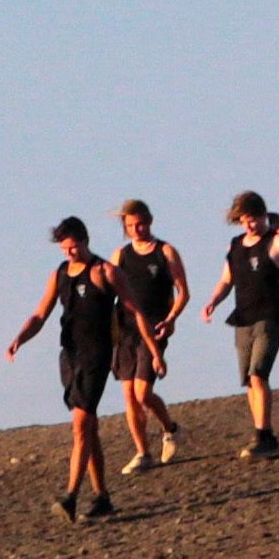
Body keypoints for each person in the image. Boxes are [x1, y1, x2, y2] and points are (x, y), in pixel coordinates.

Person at [7, 217, 126, 521]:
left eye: (74, 247)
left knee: (80, 427)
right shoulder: (59, 274)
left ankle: (70, 497)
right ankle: (102, 498)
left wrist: (154, 352)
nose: (70, 253)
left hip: (97, 355)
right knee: (89, 429)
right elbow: (40, 313)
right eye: (65, 249)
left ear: (85, 241)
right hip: (69, 355)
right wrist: (19, 339)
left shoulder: (104, 271)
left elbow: (134, 310)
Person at [106, 199, 188, 469]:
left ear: (149, 221)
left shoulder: (165, 252)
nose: (136, 229)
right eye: (130, 225)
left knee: (143, 392)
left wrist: (171, 318)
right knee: (128, 393)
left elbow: (183, 293)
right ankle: (143, 452)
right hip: (125, 328)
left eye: (140, 223)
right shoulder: (120, 255)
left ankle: (170, 428)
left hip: (155, 326)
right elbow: (108, 292)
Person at [214, 193, 279, 454]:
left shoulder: (278, 242)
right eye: (245, 221)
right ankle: (263, 431)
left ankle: (263, 435)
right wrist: (212, 302)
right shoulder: (235, 246)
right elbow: (227, 281)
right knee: (249, 381)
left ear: (264, 215)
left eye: (254, 219)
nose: (250, 226)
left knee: (257, 374)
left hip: (271, 315)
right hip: (243, 318)